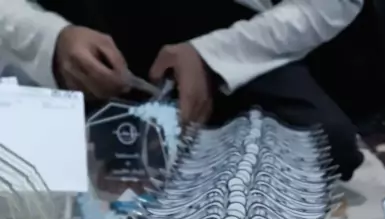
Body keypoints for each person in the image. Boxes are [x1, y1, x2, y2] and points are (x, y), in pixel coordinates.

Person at [0, 0, 365, 178]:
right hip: (71, 28)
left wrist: (214, 56)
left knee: (320, 145)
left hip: (227, 34)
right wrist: (49, 38)